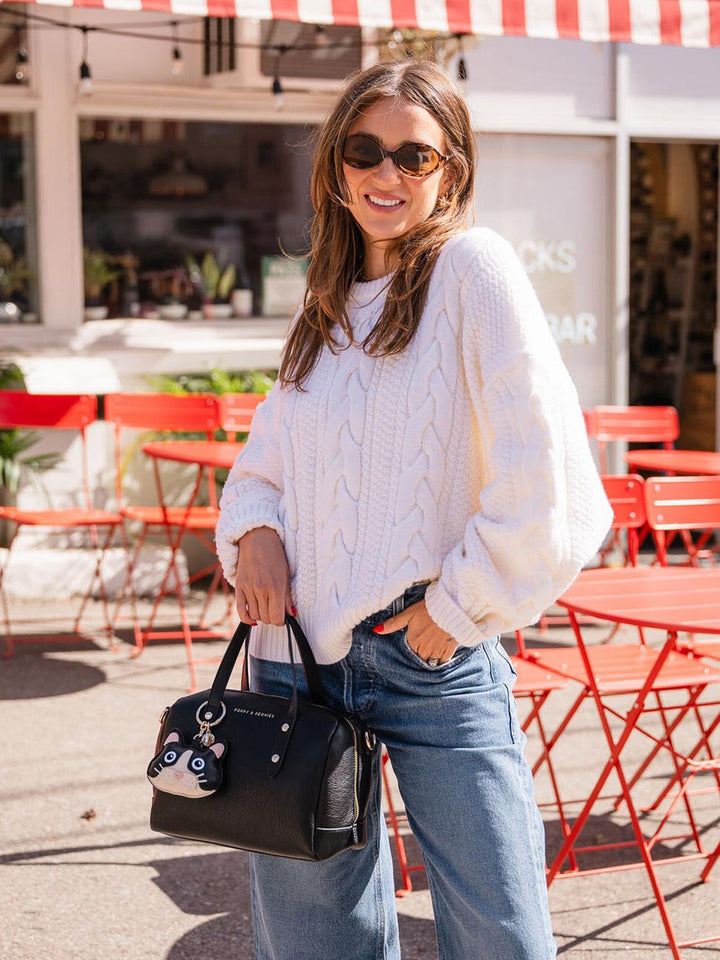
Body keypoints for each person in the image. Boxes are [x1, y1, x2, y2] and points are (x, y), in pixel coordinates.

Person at [216, 59, 612, 960]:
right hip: (299, 662)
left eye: (414, 155)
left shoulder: (475, 270)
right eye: (364, 151)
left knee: (501, 935)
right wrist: (256, 531)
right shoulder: (323, 304)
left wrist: (460, 607)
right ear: (336, 166)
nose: (385, 174)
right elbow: (263, 466)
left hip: (431, 656)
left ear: (452, 169)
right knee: (315, 944)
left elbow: (548, 475)